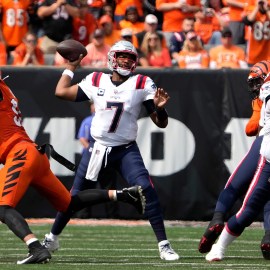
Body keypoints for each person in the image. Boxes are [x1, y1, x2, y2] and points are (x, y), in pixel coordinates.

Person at [42, 40, 179, 261]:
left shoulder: (142, 83)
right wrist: (71, 67)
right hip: (96, 148)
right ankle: (52, 237)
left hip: (125, 150)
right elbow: (60, 91)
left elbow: (161, 123)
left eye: (130, 57)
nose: (126, 60)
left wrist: (161, 111)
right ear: (112, 58)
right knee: (72, 198)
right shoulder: (96, 79)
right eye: (122, 56)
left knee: (146, 188)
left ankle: (164, 245)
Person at [0, 75, 145, 264]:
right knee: (68, 204)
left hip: (21, 153)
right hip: (35, 154)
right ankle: (124, 195)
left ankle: (35, 248)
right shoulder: (7, 92)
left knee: (2, 207)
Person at [198, 60, 270, 260]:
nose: (255, 87)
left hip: (263, 143)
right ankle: (268, 236)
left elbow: (251, 127)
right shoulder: (265, 93)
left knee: (237, 187)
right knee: (262, 200)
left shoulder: (264, 94)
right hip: (267, 148)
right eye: (254, 83)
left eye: (258, 82)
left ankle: (218, 217)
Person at [242, 0, 270, 66]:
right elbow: (247, 21)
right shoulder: (252, 9)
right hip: (254, 51)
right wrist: (257, 8)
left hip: (268, 52)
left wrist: (267, 9)